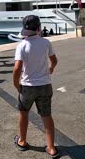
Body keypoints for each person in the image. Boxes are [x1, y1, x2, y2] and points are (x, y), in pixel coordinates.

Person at [13, 15, 58, 157]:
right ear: (39, 28)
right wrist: (51, 68)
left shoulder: (22, 45)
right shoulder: (45, 42)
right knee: (46, 116)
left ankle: (22, 140)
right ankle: (51, 148)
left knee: (23, 113)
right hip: (45, 85)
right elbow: (54, 60)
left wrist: (16, 85)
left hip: (27, 86)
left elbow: (17, 68)